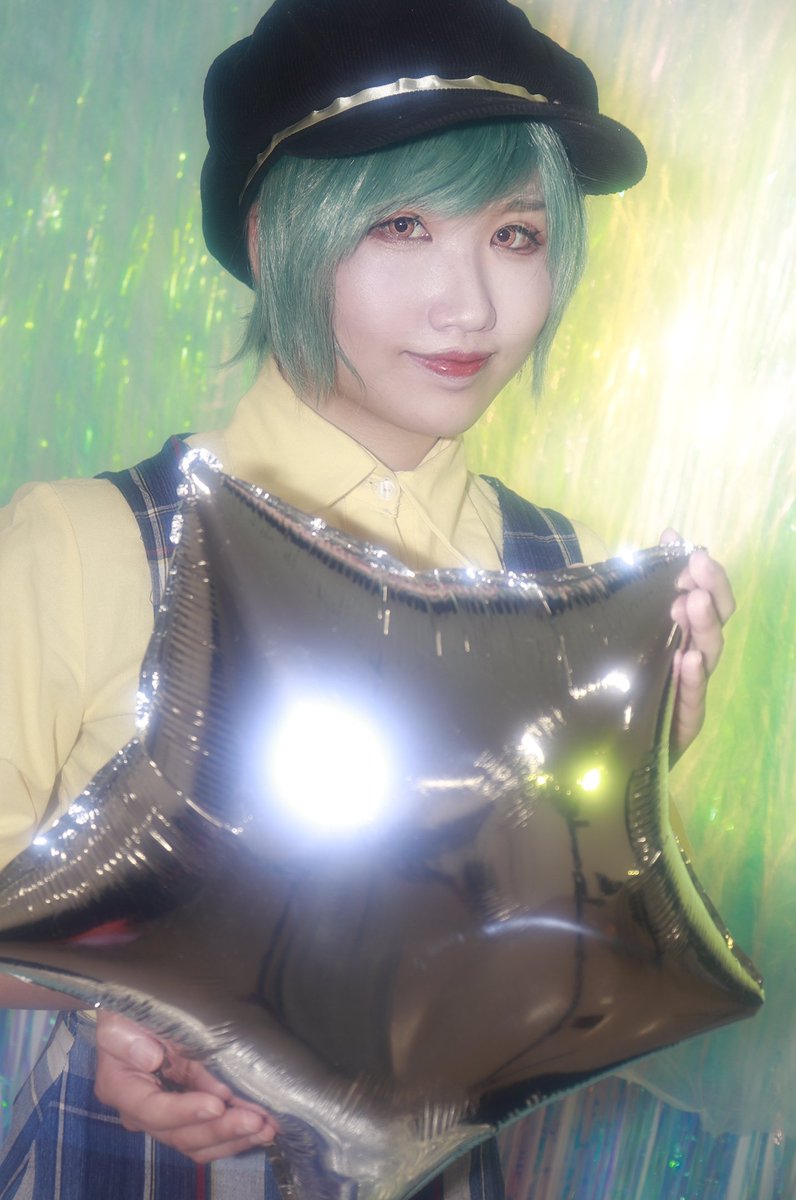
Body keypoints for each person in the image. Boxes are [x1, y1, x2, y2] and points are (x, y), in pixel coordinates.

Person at [0, 0, 734, 1196]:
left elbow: (520, 963)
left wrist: (628, 788)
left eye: (515, 234)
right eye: (401, 226)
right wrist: (122, 1007)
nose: (470, 306)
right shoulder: (90, 544)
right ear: (271, 234)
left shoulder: (561, 566)